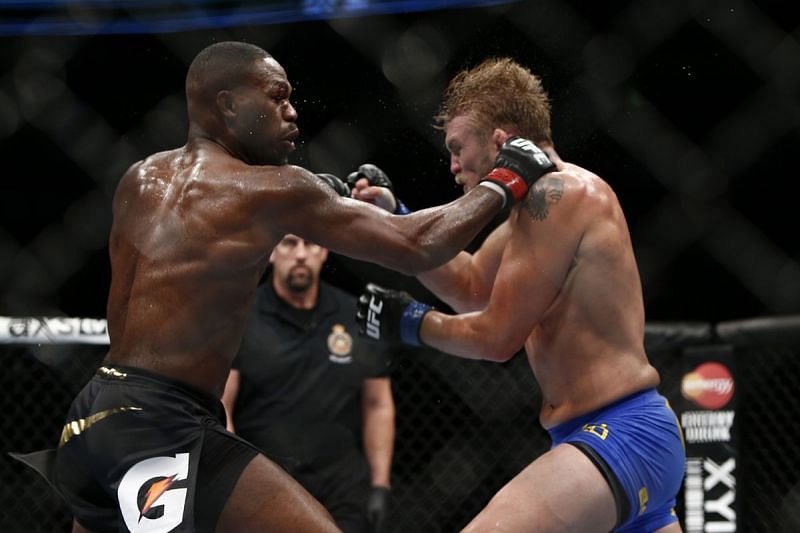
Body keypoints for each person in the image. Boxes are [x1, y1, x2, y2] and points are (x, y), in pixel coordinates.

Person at [9, 43, 555, 532]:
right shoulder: (273, 192)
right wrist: (505, 179)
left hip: (93, 416)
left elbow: (201, 248)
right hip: (161, 428)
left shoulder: (140, 179)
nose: (293, 111)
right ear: (226, 106)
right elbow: (417, 245)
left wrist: (315, 201)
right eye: (276, 97)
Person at [356, 58, 686, 532]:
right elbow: (471, 287)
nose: (452, 165)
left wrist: (406, 321)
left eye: (457, 147)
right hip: (601, 440)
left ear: (500, 140)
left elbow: (495, 337)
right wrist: (395, 216)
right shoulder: (528, 214)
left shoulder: (560, 194)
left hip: (620, 435)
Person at [221, 233, 395, 533]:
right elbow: (221, 408)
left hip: (342, 487)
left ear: (324, 251)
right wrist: (236, 480)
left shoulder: (356, 316)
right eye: (289, 243)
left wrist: (380, 484)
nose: (300, 254)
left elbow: (377, 404)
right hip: (268, 485)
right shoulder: (240, 317)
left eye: (310, 243)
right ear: (271, 251)